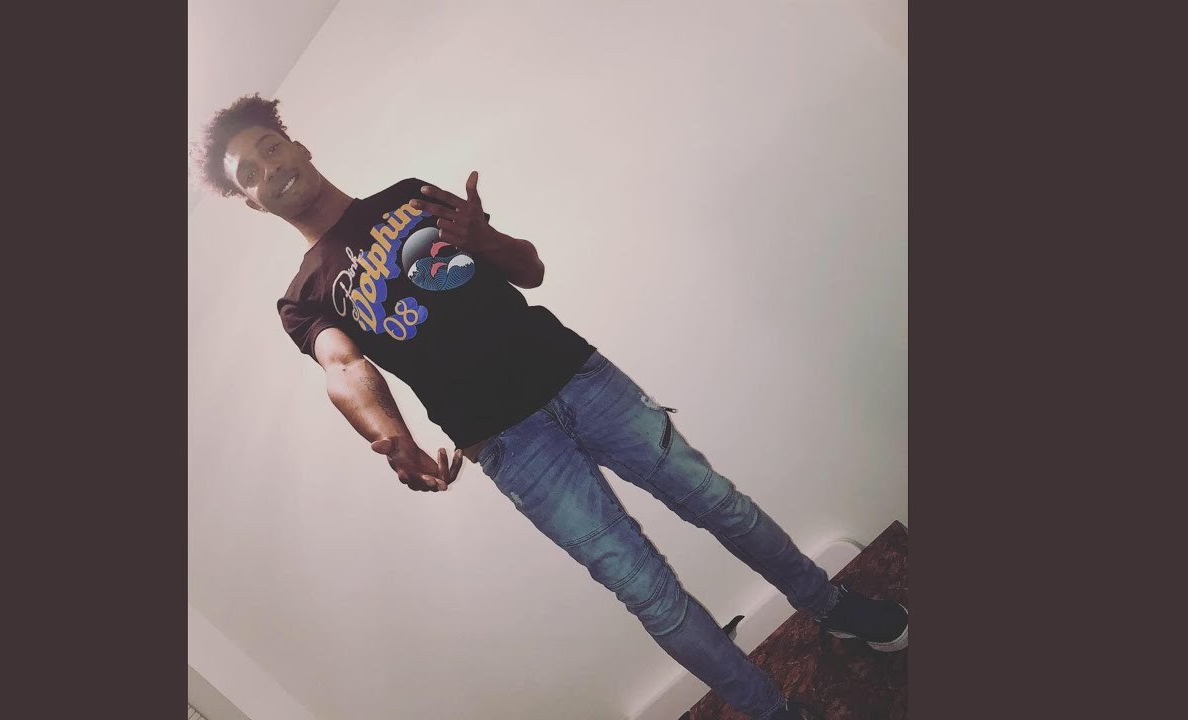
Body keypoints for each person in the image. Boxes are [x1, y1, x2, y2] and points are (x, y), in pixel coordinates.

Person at [194, 93, 908, 720]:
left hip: (578, 378)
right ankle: (773, 711)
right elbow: (344, 366)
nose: (267, 169)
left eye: (269, 148)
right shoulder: (303, 298)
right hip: (508, 445)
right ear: (251, 202)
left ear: (298, 146)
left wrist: (483, 239)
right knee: (647, 592)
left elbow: (530, 269)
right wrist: (390, 436)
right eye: (248, 174)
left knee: (718, 502)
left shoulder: (409, 196)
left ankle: (833, 607)